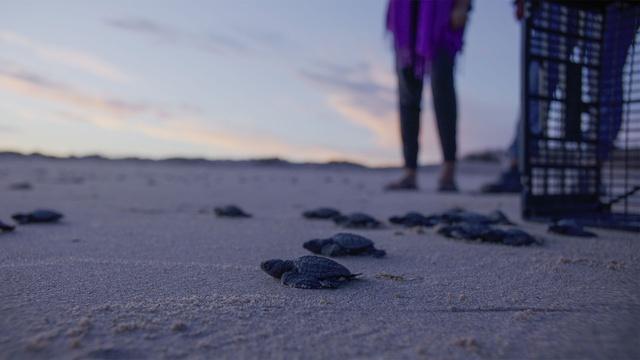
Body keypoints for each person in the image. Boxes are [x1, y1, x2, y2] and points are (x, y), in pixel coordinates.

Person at [481, 0, 639, 193]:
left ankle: (590, 171)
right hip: (555, 5)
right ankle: (518, 165)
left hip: (614, 7)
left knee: (605, 78)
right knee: (541, 74)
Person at [385, 0, 472, 192]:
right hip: (406, 15)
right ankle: (410, 171)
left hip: (441, 15)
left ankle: (449, 168)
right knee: (407, 94)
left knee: (442, 88)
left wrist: (462, 5)